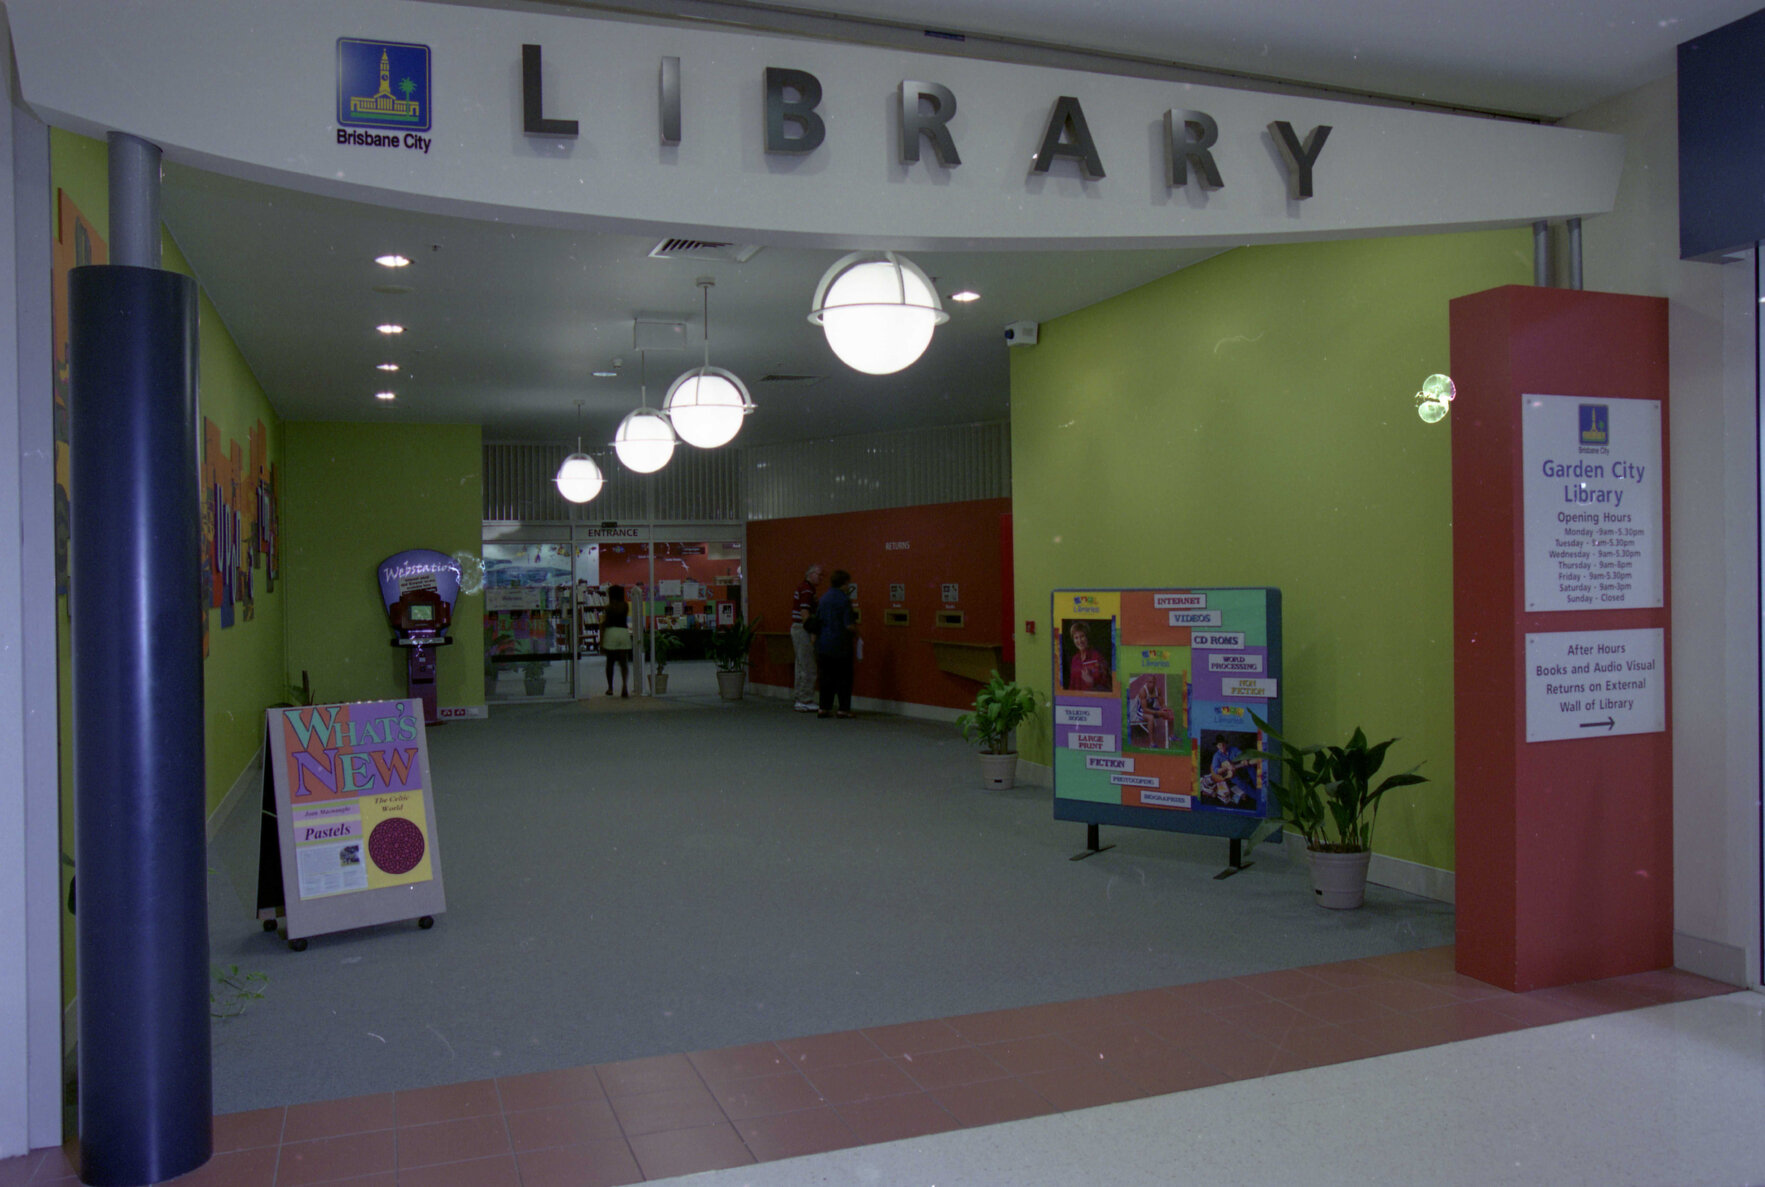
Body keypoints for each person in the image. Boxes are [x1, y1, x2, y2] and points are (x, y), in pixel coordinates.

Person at [813, 569, 857, 718]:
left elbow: (817, 621)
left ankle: (823, 708)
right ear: (844, 583)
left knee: (825, 677)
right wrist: (858, 634)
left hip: (823, 644)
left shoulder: (823, 598)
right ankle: (843, 709)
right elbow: (849, 625)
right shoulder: (844, 600)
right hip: (841, 644)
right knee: (844, 678)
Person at [790, 563, 823, 712]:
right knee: (809, 665)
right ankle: (805, 699)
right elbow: (805, 613)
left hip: (796, 628)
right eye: (819, 574)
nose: (821, 578)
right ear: (810, 574)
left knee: (801, 665)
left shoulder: (803, 587)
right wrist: (812, 632)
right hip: (802, 630)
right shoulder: (807, 590)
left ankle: (799, 697)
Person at [601, 584, 632, 697]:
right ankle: (625, 686)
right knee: (623, 663)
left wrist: (601, 641)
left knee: (610, 662)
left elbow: (605, 623)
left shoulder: (608, 607)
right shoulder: (625, 606)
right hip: (623, 633)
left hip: (611, 633)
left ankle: (610, 688)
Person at [1065, 621, 1109, 692]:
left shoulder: (1097, 657)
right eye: (1076, 638)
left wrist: (1091, 682)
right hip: (1076, 700)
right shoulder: (1074, 659)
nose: (1079, 641)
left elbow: (1105, 685)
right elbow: (1072, 685)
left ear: (1087, 637)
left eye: (1082, 636)